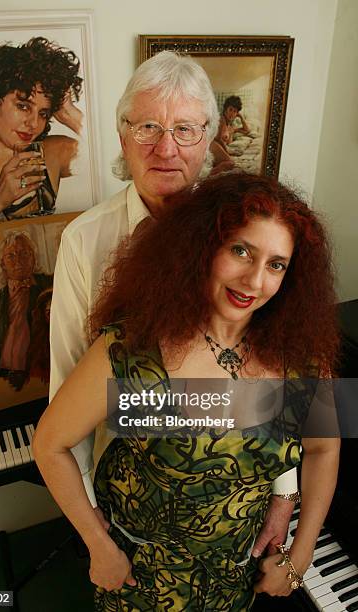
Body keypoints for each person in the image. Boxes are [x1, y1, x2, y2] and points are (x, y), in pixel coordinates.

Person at [34, 172, 340, 610]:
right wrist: (97, 544)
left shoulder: (305, 360)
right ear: (203, 248)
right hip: (139, 578)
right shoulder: (132, 351)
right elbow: (50, 444)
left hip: (234, 581)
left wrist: (302, 552)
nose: (255, 281)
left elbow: (324, 450)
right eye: (241, 251)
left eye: (276, 264)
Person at [49, 50, 300, 559]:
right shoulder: (84, 240)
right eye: (147, 127)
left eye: (185, 129)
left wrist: (283, 492)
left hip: (235, 490)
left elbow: (275, 366)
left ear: (208, 139)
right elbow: (66, 379)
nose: (166, 147)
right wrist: (92, 528)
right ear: (122, 137)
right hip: (134, 498)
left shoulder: (244, 233)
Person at [0, 36, 83, 229]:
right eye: (23, 106)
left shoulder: (53, 153)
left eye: (44, 113)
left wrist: (70, 113)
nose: (34, 123)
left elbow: (117, 159)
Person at [0, 231, 53, 390]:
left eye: (24, 253)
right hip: (8, 374)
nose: (18, 260)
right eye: (11, 256)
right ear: (2, 264)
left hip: (47, 368)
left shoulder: (51, 284)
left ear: (33, 258)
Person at [211, 95, 251, 173]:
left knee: (230, 164)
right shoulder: (221, 120)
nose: (232, 113)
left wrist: (241, 118)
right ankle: (207, 175)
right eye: (230, 110)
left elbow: (247, 131)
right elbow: (217, 139)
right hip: (213, 145)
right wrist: (227, 152)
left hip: (220, 148)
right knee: (230, 163)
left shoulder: (231, 128)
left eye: (235, 111)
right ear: (226, 109)